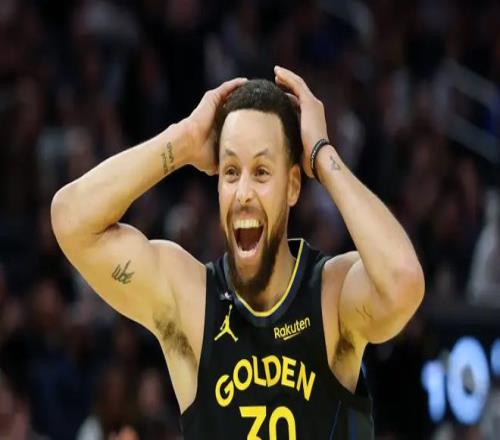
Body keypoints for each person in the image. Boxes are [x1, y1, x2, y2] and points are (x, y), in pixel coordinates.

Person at [51, 67, 425, 439]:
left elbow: (403, 282)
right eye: (231, 171)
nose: (243, 193)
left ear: (293, 186)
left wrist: (321, 155)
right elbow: (71, 219)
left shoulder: (332, 295)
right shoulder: (192, 300)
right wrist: (182, 140)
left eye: (261, 172)